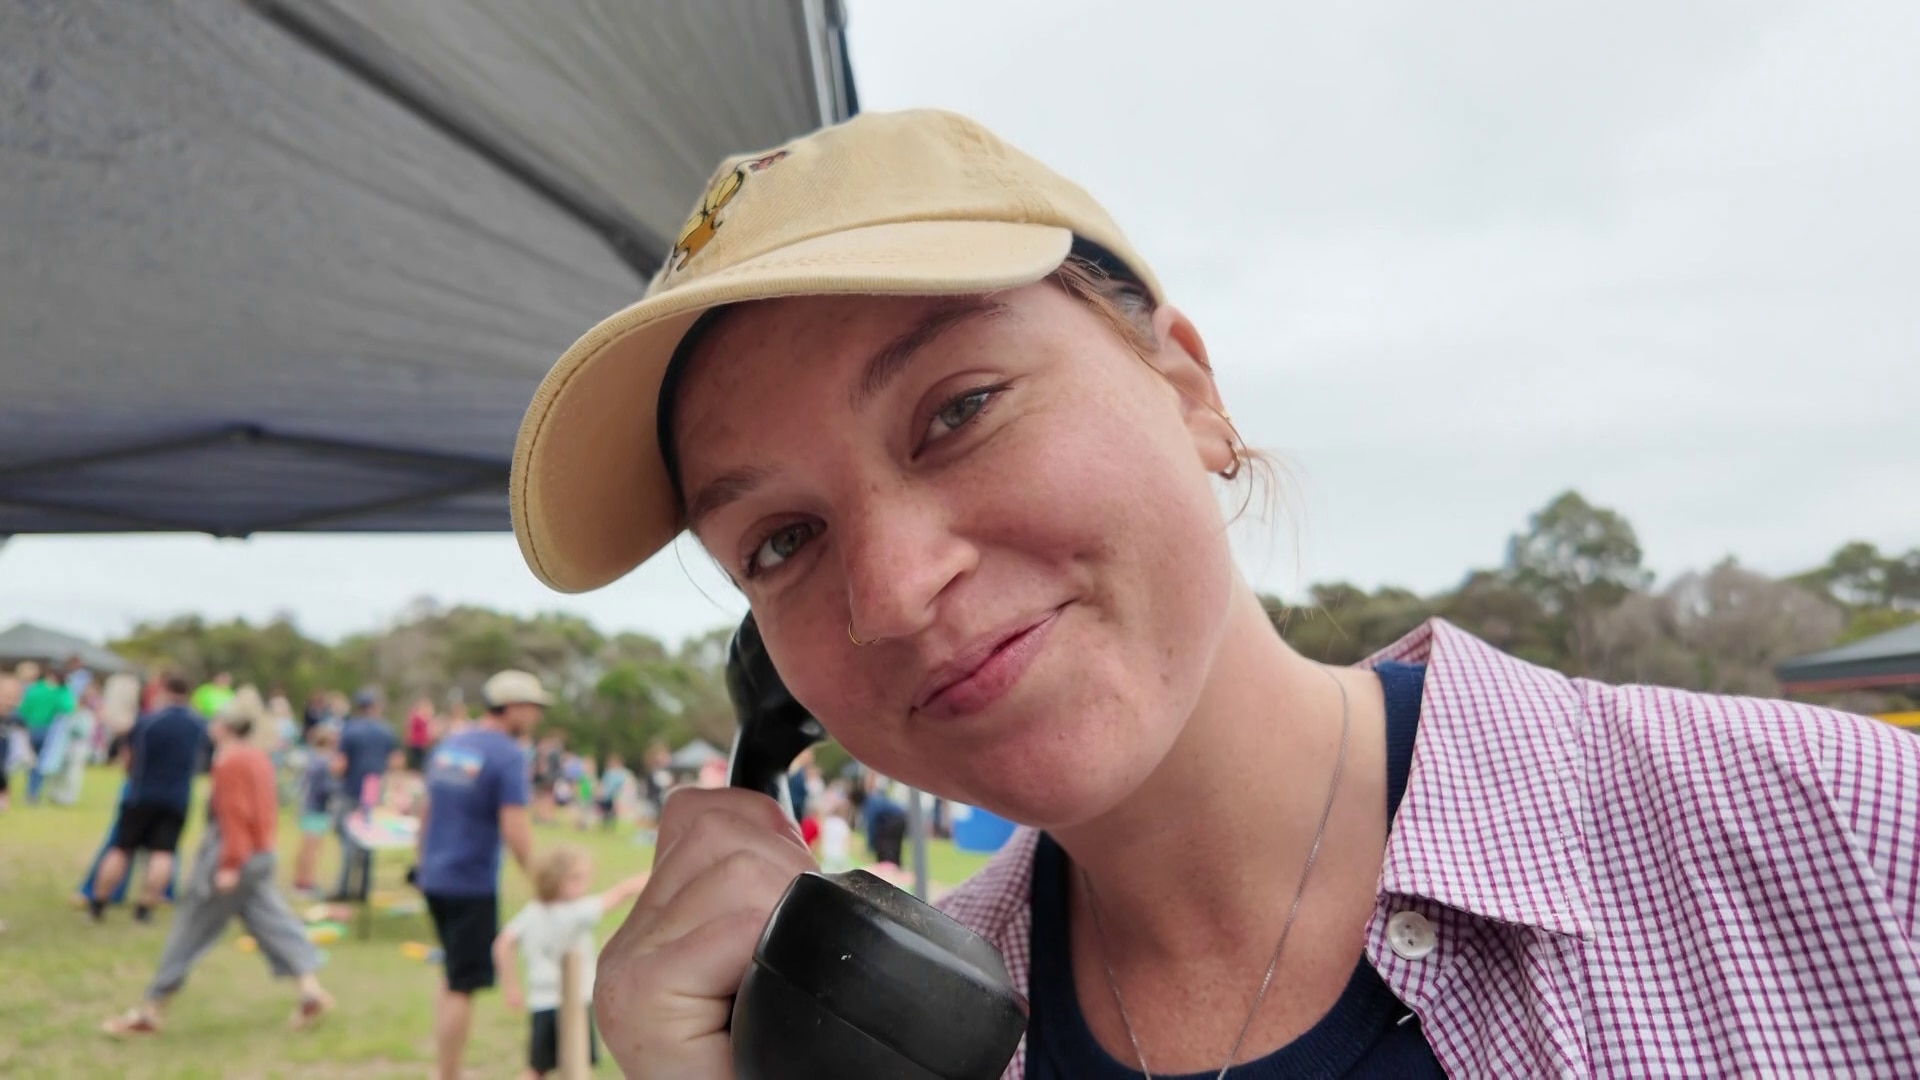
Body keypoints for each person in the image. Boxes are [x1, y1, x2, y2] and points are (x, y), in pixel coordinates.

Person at [505, 109, 1920, 1078]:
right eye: (780, 542)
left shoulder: (1853, 842)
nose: (896, 588)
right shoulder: (897, 1043)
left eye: (960, 408)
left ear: (1187, 386)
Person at [102, 709, 333, 1036]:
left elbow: (234, 813)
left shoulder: (229, 761)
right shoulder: (259, 758)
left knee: (190, 929)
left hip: (232, 855)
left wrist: (230, 864)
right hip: (261, 853)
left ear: (223, 728)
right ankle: (311, 991)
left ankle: (151, 1011)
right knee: (273, 923)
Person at [414, 669, 545, 1080]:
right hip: (470, 882)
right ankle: (448, 1074)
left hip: (435, 875)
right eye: (534, 708)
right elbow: (515, 828)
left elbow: (427, 810)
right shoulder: (507, 754)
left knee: (453, 974)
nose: (538, 717)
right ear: (513, 707)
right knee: (462, 985)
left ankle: (446, 1068)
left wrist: (422, 861)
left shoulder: (452, 743)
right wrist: (541, 880)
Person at [493, 847, 649, 1079]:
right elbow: (621, 892)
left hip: (542, 1003)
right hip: (574, 1003)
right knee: (575, 1066)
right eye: (576, 878)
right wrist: (656, 876)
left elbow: (503, 944)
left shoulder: (532, 912)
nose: (583, 884)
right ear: (555, 880)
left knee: (540, 1068)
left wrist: (511, 986)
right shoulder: (577, 913)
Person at [91, 674, 206, 923]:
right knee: (163, 853)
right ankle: (145, 908)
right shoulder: (198, 724)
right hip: (177, 796)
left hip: (142, 793)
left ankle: (98, 903)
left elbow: (129, 756)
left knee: (121, 849)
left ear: (164, 689)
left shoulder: (148, 721)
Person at [329, 687, 396, 903]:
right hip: (373, 793)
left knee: (348, 841)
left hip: (350, 790)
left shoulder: (350, 730)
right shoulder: (387, 731)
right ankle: (364, 889)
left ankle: (344, 889)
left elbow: (340, 765)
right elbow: (396, 762)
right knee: (368, 840)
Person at [292, 723, 338, 899]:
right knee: (312, 849)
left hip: (307, 806)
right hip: (317, 808)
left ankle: (300, 880)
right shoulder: (324, 762)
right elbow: (325, 788)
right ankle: (306, 883)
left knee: (306, 847)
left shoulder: (311, 758)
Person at [19, 667, 74, 803]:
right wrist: (64, 690)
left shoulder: (35, 688)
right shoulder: (60, 691)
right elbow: (69, 707)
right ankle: (33, 793)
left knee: (31, 761)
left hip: (30, 728)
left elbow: (23, 708)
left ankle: (30, 791)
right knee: (41, 763)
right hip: (47, 730)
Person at [596, 753, 634, 830]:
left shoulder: (623, 773)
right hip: (607, 797)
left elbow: (626, 786)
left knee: (612, 812)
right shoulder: (608, 773)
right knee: (606, 811)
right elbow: (603, 784)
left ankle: (611, 826)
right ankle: (606, 825)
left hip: (616, 797)